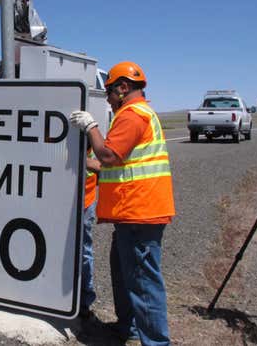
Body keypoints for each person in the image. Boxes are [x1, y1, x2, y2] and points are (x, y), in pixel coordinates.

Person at [70, 61, 175, 346]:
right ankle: (128, 328)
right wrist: (81, 161)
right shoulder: (136, 114)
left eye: (109, 91)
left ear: (123, 87)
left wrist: (90, 126)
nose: (107, 97)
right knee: (124, 272)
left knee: (142, 281)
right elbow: (112, 166)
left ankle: (155, 342)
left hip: (141, 213)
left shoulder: (132, 115)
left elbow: (108, 156)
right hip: (132, 214)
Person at [80, 146, 101, 320]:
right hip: (56, 197)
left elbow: (105, 163)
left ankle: (84, 301)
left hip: (85, 200)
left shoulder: (92, 124)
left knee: (83, 252)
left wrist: (82, 160)